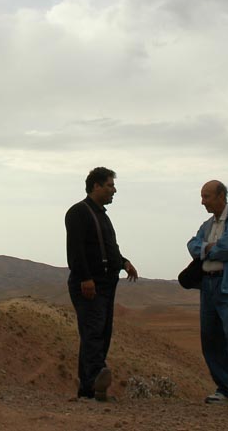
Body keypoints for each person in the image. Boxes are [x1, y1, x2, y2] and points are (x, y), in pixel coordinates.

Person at [65, 166, 139, 401]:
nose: (113, 190)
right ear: (95, 186)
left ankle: (89, 389)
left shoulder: (101, 215)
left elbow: (108, 249)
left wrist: (124, 262)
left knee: (100, 333)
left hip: (106, 284)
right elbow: (75, 250)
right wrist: (86, 278)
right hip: (90, 284)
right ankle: (95, 380)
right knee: (94, 332)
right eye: (109, 185)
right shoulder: (78, 212)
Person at [186, 180, 228, 404]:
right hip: (208, 284)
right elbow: (192, 244)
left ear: (221, 196)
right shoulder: (208, 224)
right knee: (210, 337)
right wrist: (208, 248)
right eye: (202, 196)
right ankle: (226, 388)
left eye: (206, 196)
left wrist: (206, 249)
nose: (202, 202)